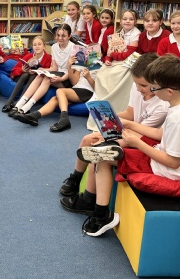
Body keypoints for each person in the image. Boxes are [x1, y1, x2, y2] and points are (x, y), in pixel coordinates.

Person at [74, 54, 180, 237]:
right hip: (157, 158)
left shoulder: (176, 118)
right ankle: (98, 207)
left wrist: (136, 143)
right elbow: (159, 134)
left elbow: (173, 162)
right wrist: (129, 124)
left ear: (169, 91)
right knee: (103, 155)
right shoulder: (174, 107)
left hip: (164, 170)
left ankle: (101, 216)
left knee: (102, 157)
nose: (154, 91)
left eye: (155, 87)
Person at [59, 53, 168, 201]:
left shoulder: (162, 105)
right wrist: (110, 117)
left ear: (156, 83)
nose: (138, 88)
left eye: (143, 85)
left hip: (142, 139)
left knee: (97, 147)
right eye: (136, 83)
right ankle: (75, 179)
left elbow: (140, 131)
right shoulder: (137, 88)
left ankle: (89, 198)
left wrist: (110, 132)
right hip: (130, 132)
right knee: (87, 139)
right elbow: (130, 113)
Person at [8, 24, 74, 117]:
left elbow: (72, 71)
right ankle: (19, 105)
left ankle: (26, 107)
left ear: (69, 36)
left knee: (46, 78)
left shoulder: (73, 48)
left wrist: (61, 79)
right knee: (40, 75)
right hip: (57, 73)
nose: (60, 38)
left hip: (67, 77)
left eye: (63, 36)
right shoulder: (54, 47)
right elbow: (54, 68)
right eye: (58, 35)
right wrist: (43, 70)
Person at [16, 56, 96, 131]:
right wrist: (69, 66)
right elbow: (74, 82)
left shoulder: (99, 67)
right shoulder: (81, 65)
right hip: (76, 89)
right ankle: (35, 116)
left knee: (60, 91)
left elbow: (97, 88)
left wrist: (88, 77)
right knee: (54, 99)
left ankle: (64, 119)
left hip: (88, 91)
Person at [1, 36, 51, 113]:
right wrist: (22, 70)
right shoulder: (29, 56)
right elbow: (14, 71)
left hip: (36, 80)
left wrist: (37, 71)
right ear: (32, 47)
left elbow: (47, 73)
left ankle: (19, 102)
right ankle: (9, 101)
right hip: (21, 77)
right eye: (34, 45)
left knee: (33, 76)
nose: (37, 46)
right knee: (26, 74)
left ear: (44, 46)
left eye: (39, 44)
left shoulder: (48, 58)